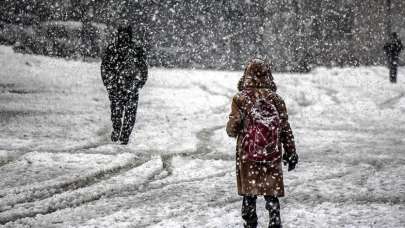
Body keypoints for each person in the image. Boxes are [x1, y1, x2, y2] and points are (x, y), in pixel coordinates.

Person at [226, 59, 298, 228]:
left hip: (247, 153)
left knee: (249, 194)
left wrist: (233, 126)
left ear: (246, 75)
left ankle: (250, 222)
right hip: (270, 153)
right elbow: (285, 128)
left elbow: (232, 128)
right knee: (270, 191)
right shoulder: (276, 99)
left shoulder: (240, 99)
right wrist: (291, 151)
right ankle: (274, 219)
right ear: (268, 75)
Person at [101, 25, 148, 145]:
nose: (124, 36)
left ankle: (121, 133)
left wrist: (109, 83)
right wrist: (109, 83)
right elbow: (143, 69)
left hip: (124, 85)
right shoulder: (131, 48)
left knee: (121, 111)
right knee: (125, 112)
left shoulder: (115, 48)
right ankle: (121, 133)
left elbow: (105, 68)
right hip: (124, 86)